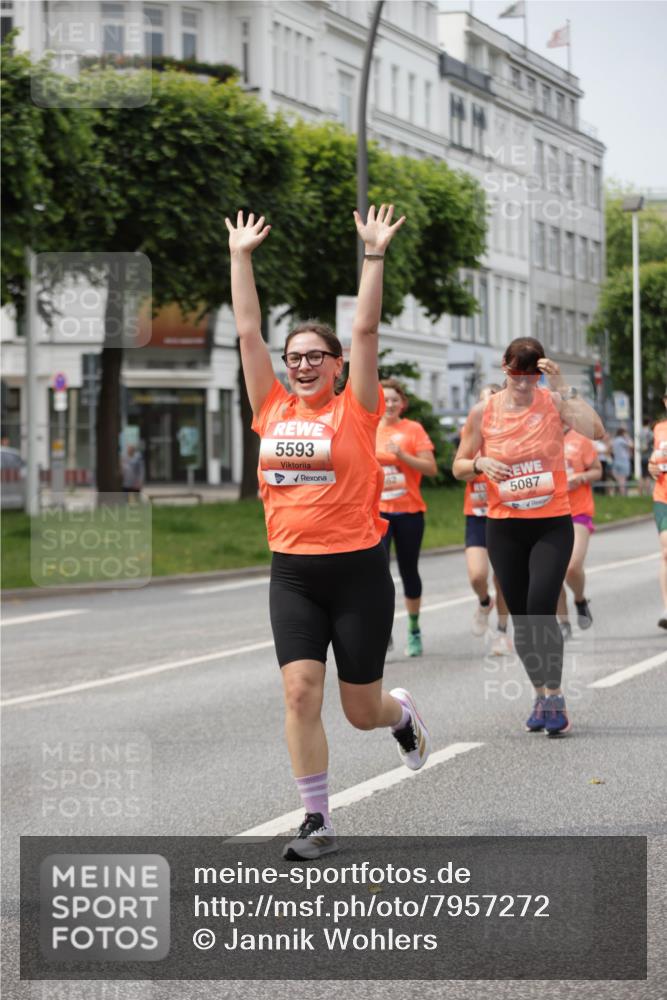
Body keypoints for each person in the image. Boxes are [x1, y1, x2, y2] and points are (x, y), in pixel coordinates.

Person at [226, 205, 430, 861]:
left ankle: (399, 716)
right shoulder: (271, 405)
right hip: (291, 572)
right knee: (298, 690)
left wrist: (373, 254)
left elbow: (366, 329)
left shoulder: (357, 408)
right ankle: (316, 818)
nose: (303, 365)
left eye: (317, 356)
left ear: (338, 366)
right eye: (295, 358)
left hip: (357, 571)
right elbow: (248, 333)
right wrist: (240, 256)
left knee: (359, 711)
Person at [453, 337, 603, 737]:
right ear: (505, 368)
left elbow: (597, 429)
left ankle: (555, 696)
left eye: (531, 376)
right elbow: (458, 467)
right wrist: (480, 461)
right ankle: (540, 693)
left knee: (540, 606)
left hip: (551, 522)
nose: (524, 384)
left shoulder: (553, 402)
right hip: (504, 526)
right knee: (520, 618)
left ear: (541, 372)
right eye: (518, 375)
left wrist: (562, 385)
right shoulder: (484, 411)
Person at [376, 378, 436, 656]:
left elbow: (431, 468)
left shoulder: (413, 429)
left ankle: (413, 628)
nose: (389, 404)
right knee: (377, 574)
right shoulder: (368, 428)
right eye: (384, 399)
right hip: (377, 514)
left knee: (408, 571)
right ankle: (383, 632)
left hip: (410, 511)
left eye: (394, 400)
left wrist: (402, 457)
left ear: (403, 403)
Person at [462, 383, 511, 656]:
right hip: (477, 514)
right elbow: (459, 471)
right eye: (481, 401)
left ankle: (503, 632)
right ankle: (483, 602)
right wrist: (478, 463)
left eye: (491, 400)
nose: (485, 406)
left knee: (502, 577)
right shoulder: (470, 431)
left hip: (503, 514)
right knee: (478, 574)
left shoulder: (511, 434)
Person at [556, 426, 602, 639]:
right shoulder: (538, 437)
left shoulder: (580, 440)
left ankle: (580, 599)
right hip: (550, 512)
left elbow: (597, 470)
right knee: (552, 572)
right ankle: (563, 622)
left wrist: (580, 478)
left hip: (578, 511)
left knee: (572, 567)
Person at [648, 391, 667, 630]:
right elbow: (655, 460)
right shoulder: (659, 429)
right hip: (663, 497)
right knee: (666, 552)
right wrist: (651, 466)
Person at [611, 426, 633, 496]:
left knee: (618, 478)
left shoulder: (614, 440)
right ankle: (623, 494)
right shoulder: (622, 440)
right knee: (623, 479)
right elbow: (631, 445)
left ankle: (619, 492)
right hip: (624, 461)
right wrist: (628, 437)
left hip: (616, 460)